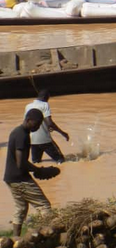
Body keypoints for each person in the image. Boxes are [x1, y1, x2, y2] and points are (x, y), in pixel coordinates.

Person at [4, 108, 52, 237]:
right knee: (44, 205)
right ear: (28, 120)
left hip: (10, 178)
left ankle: (15, 239)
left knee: (20, 208)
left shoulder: (17, 132)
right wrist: (39, 170)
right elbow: (21, 162)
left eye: (39, 124)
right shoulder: (22, 135)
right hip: (20, 178)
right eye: (36, 123)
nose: (37, 127)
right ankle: (48, 234)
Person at [26, 89, 70, 164]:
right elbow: (49, 123)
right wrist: (62, 133)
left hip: (32, 140)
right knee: (61, 160)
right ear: (45, 97)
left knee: (36, 162)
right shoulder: (44, 105)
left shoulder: (28, 106)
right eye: (48, 98)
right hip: (45, 140)